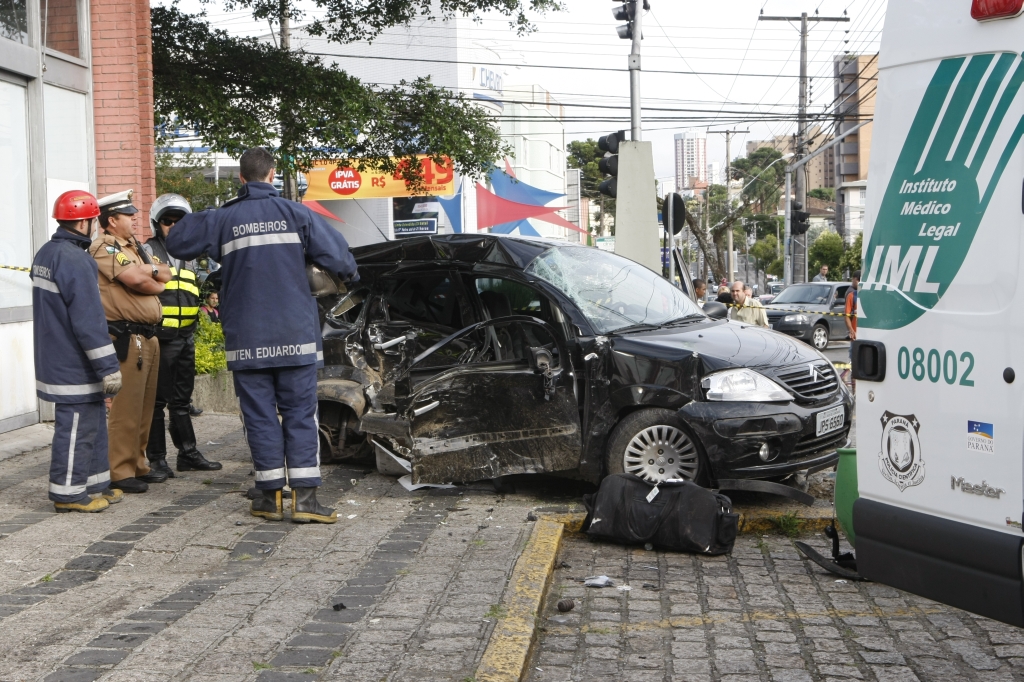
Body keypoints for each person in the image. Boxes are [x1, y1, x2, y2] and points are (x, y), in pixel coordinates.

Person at [166, 147, 359, 524]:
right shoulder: (297, 214)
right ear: (272, 175)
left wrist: (217, 212)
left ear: (242, 178)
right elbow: (342, 261)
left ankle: (269, 499)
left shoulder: (225, 218)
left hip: (248, 340)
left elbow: (177, 241)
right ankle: (305, 502)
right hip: (296, 336)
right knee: (301, 414)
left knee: (259, 417)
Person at [32, 191, 125, 513]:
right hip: (73, 362)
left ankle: (96, 484)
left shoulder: (47, 253)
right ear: (84, 222)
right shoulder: (77, 260)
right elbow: (88, 320)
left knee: (94, 423)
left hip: (58, 356)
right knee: (75, 428)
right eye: (94, 221)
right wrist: (108, 366)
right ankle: (68, 493)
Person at [90, 190, 172, 494]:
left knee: (144, 406)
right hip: (127, 336)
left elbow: (161, 277)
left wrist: (151, 272)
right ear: (112, 220)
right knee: (126, 407)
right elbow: (140, 280)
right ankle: (119, 470)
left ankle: (138, 464)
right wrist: (153, 274)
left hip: (148, 336)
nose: (135, 219)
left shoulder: (136, 248)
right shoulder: (105, 246)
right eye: (128, 215)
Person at [144, 194, 223, 477]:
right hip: (160, 338)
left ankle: (187, 453)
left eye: (179, 220)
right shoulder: (147, 250)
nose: (173, 225)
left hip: (185, 336)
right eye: (167, 220)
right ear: (157, 223)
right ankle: (156, 460)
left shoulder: (191, 255)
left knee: (181, 401)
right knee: (156, 402)